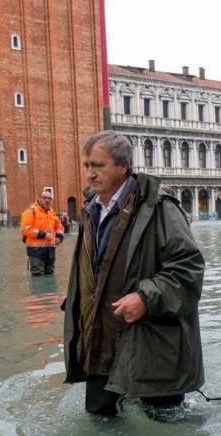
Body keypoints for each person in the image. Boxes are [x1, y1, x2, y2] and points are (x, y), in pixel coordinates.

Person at [62, 130, 205, 419]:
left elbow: (189, 268)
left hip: (151, 344)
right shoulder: (91, 210)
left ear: (123, 166)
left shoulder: (161, 209)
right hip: (99, 341)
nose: (89, 174)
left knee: (163, 427)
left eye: (98, 166)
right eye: (87, 165)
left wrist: (145, 297)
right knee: (101, 421)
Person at [20, 191, 64, 276]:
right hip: (36, 251)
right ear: (39, 199)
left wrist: (59, 237)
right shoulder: (31, 211)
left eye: (49, 198)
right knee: (38, 275)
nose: (47, 200)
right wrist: (43, 234)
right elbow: (25, 230)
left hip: (50, 250)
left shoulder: (52, 212)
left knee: (50, 274)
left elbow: (59, 226)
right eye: (44, 198)